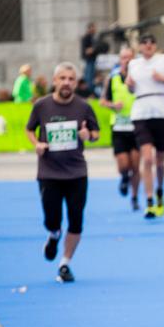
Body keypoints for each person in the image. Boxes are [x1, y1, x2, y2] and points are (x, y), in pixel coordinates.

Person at [24, 63, 100, 283]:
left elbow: (95, 133)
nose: (67, 82)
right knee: (52, 220)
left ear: (76, 83)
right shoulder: (42, 106)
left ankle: (65, 263)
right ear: (54, 81)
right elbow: (30, 129)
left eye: (71, 79)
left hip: (77, 172)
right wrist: (36, 143)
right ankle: (54, 234)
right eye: (63, 78)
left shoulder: (83, 107)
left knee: (76, 221)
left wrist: (88, 135)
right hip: (49, 173)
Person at [128, 33, 164, 218]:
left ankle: (159, 191)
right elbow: (131, 88)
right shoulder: (133, 64)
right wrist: (129, 85)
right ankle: (149, 201)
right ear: (140, 46)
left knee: (159, 160)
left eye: (152, 42)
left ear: (155, 45)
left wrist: (163, 79)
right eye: (145, 42)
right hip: (140, 113)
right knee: (148, 158)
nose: (148, 45)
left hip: (162, 112)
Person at [100, 46, 141, 210]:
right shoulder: (113, 78)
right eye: (124, 57)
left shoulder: (140, 77)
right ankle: (124, 178)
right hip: (119, 127)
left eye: (129, 57)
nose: (127, 60)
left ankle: (135, 197)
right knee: (124, 165)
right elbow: (102, 100)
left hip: (137, 125)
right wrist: (112, 105)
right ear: (120, 60)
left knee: (136, 166)